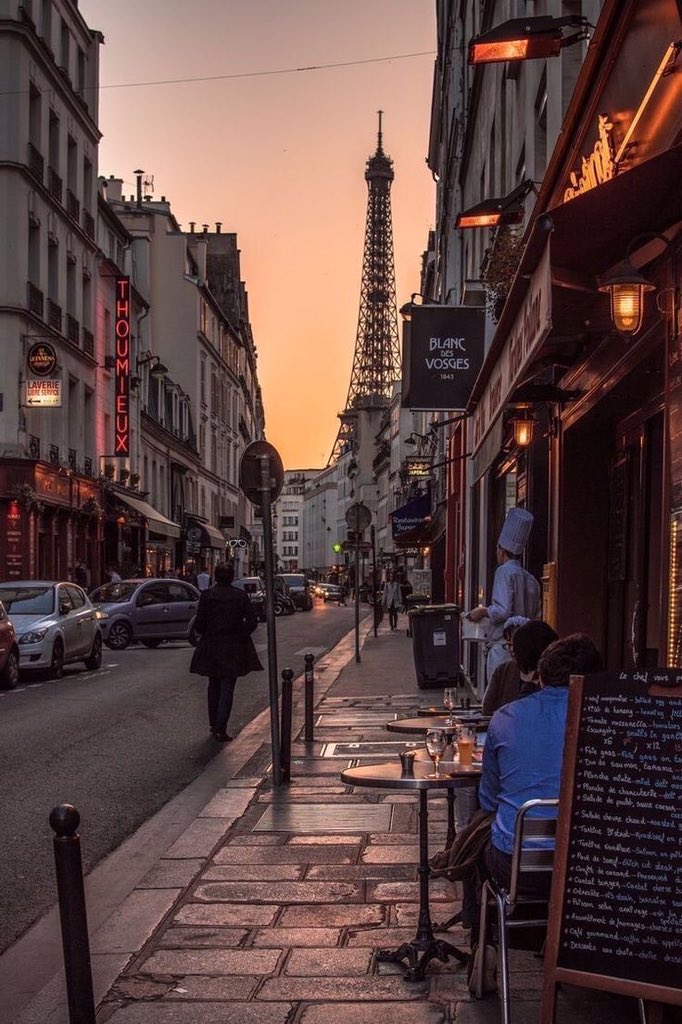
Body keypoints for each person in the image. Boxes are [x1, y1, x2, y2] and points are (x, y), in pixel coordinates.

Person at [463, 633, 603, 942]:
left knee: (476, 836)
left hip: (517, 864)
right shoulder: (610, 721)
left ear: (540, 678)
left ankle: (481, 939)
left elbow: (488, 798)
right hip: (595, 868)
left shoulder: (507, 717)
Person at [190, 562, 263, 741]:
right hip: (232, 646)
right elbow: (253, 620)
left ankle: (213, 724)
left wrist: (207, 632)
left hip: (212, 645)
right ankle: (220, 728)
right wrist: (240, 633)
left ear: (215, 576)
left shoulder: (207, 596)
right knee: (227, 687)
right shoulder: (240, 596)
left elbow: (199, 623)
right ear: (231, 577)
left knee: (213, 685)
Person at [468, 507, 541, 682]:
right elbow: (536, 616)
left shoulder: (504, 572)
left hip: (503, 647)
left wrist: (484, 611)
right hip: (524, 652)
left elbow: (503, 610)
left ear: (501, 550)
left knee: (499, 697)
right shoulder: (531, 579)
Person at [481, 618, 558, 715]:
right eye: (508, 645)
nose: (512, 649)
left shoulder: (551, 675)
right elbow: (488, 708)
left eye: (516, 645)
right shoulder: (503, 670)